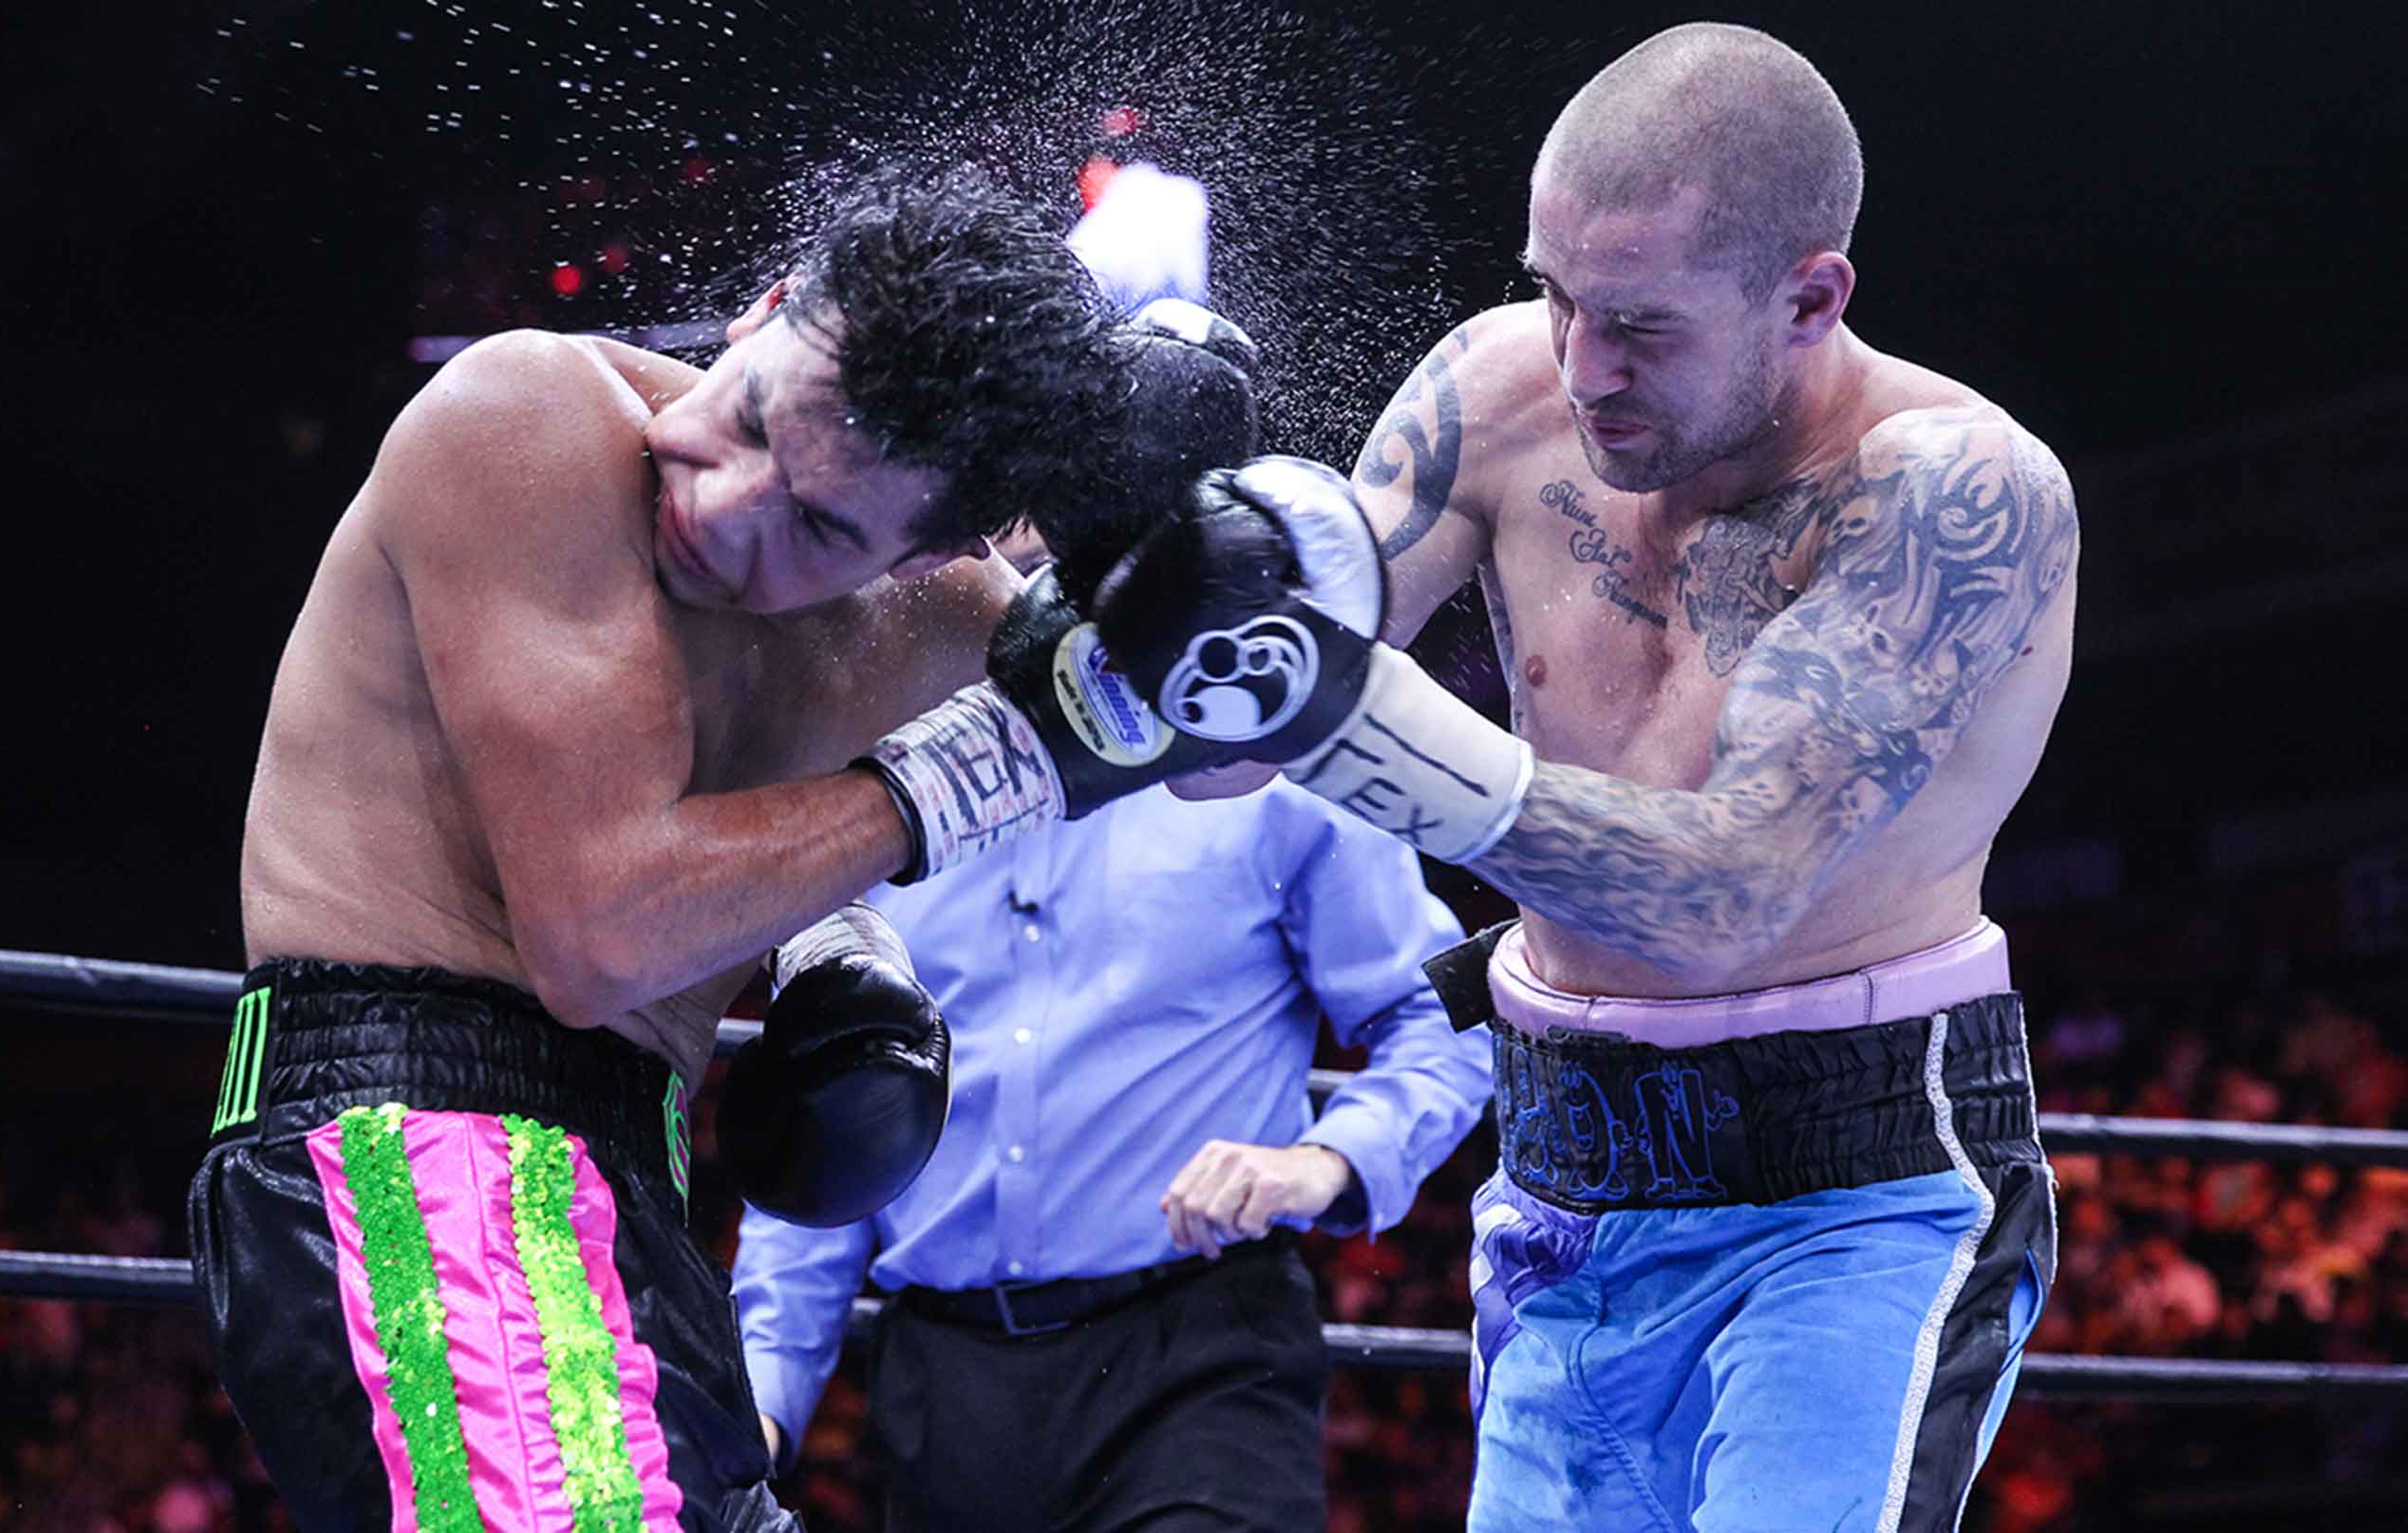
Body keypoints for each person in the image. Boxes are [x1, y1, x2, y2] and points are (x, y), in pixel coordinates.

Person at [1063, 22, 2077, 1533]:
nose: (1583, 368)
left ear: (1811, 295)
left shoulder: (1952, 492)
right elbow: (1220, 745)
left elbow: (1726, 890)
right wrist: (1119, 557)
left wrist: (1337, 712)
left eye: (1642, 327)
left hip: (1851, 1202)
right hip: (1563, 1176)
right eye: (1557, 297)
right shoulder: (1498, 388)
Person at [190, 163, 1261, 1533]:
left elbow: (1225, 757)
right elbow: (602, 935)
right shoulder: (526, 421)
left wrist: (1183, 567)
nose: (724, 504)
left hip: (619, 1187)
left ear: (923, 557)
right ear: (758, 317)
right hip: (409, 1144)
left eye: (817, 523)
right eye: (748, 416)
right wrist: (965, 775)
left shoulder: (934, 625)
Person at [728, 524, 1492, 1533]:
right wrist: (761, 1408)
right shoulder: (861, 792)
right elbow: (833, 1126)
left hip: (1201, 1361)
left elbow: (1440, 1019)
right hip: (944, 1387)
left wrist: (1326, 1160)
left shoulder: (1257, 764)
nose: (1029, 549)